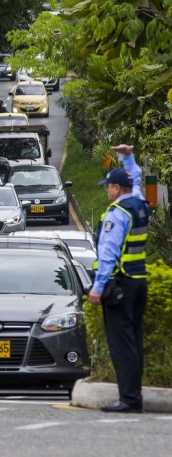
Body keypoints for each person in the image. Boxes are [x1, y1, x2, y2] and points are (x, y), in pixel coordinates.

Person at [88, 144, 149, 414]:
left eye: (108, 186)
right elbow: (135, 178)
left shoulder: (116, 214)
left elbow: (109, 254)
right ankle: (133, 396)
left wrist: (97, 288)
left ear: (116, 189)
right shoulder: (139, 203)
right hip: (139, 281)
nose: (106, 190)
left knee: (122, 346)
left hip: (120, 285)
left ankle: (129, 399)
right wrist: (128, 156)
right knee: (134, 341)